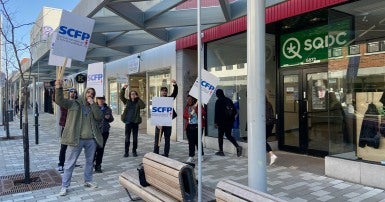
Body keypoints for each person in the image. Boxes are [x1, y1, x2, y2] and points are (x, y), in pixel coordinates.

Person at [55, 80, 104, 196]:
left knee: (89, 162)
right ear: (84, 93)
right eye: (88, 93)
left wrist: (93, 104)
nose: (90, 95)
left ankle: (88, 181)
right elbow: (59, 100)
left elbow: (99, 117)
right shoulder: (74, 103)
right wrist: (58, 87)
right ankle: (64, 186)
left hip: (91, 139)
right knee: (70, 163)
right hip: (76, 139)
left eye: (92, 93)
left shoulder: (94, 106)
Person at [153, 79, 178, 157]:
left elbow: (175, 93)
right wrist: (157, 123)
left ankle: (166, 154)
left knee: (167, 139)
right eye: (163, 91)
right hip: (159, 124)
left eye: (165, 91)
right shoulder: (157, 100)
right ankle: (155, 153)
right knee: (157, 139)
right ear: (160, 92)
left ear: (167, 92)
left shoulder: (169, 99)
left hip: (167, 123)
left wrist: (175, 85)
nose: (164, 92)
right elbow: (155, 113)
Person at [214, 89, 242, 157]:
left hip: (221, 122)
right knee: (228, 135)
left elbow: (217, 113)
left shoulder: (218, 101)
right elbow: (234, 111)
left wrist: (215, 122)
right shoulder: (228, 100)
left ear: (217, 94)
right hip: (229, 122)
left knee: (220, 136)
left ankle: (221, 151)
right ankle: (237, 146)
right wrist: (231, 119)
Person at [120, 86, 145, 157]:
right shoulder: (127, 101)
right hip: (128, 122)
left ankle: (134, 151)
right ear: (130, 95)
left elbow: (143, 106)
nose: (133, 95)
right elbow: (121, 96)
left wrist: (138, 98)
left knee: (135, 138)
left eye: (134, 94)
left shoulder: (138, 102)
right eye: (132, 94)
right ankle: (126, 152)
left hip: (135, 122)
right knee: (127, 138)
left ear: (136, 95)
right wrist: (123, 89)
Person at [57, 88, 78, 173]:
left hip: (75, 127)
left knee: (75, 146)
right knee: (63, 146)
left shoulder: (78, 103)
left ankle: (73, 162)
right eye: (71, 92)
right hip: (66, 127)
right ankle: (61, 164)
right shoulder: (65, 103)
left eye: (74, 92)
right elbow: (63, 108)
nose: (73, 93)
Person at [94, 96, 114, 173]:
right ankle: (92, 162)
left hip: (105, 131)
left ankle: (98, 165)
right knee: (94, 148)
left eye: (102, 99)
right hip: (95, 131)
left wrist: (109, 118)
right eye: (99, 99)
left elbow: (111, 119)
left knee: (101, 149)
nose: (101, 101)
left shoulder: (107, 108)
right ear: (97, 100)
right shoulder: (94, 108)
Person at [183, 94, 205, 163]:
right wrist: (189, 115)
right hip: (189, 126)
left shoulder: (198, 106)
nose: (188, 100)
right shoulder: (187, 107)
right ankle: (191, 156)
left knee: (198, 141)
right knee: (191, 142)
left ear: (193, 100)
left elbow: (203, 113)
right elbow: (184, 115)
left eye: (189, 99)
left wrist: (196, 109)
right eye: (187, 99)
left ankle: (201, 155)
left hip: (197, 126)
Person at [266, 96, 277, 165]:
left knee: (261, 141)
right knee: (262, 141)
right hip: (270, 124)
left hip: (265, 124)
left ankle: (271, 154)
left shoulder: (261, 105)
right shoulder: (269, 104)